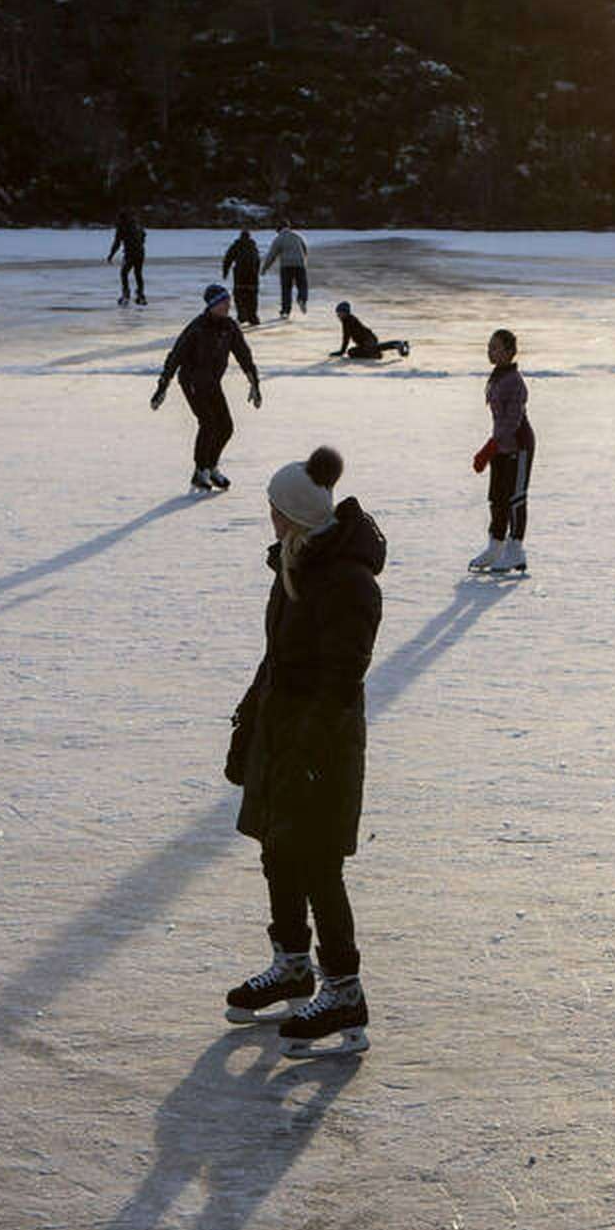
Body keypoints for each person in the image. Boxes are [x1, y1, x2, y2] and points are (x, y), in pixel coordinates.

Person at [221, 445, 386, 1057]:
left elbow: (342, 677)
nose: (269, 515)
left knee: (318, 864)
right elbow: (275, 660)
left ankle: (344, 989)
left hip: (322, 745)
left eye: (274, 508)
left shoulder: (346, 580)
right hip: (283, 736)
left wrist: (311, 753)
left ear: (296, 513)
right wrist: (249, 724)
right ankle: (293, 964)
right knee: (278, 850)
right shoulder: (294, 564)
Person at [151, 284, 262, 493]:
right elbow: (175, 357)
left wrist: (254, 382)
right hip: (192, 381)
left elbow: (243, 355)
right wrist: (162, 386)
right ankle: (200, 471)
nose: (228, 305)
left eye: (228, 301)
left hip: (212, 382)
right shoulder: (197, 327)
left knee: (226, 427)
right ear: (212, 305)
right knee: (209, 423)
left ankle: (211, 467)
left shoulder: (230, 326)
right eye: (223, 302)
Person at [468, 327, 533, 575]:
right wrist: (493, 446)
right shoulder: (498, 376)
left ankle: (516, 550)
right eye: (488, 346)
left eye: (495, 347)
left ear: (509, 351)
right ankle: (495, 546)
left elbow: (512, 420)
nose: (490, 351)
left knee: (514, 497)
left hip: (519, 444)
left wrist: (491, 446)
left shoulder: (514, 381)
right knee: (496, 497)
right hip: (501, 444)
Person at [326, 300, 411, 362]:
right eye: (337, 313)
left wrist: (341, 351)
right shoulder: (347, 320)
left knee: (355, 352)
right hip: (366, 341)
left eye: (340, 313)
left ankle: (394, 345)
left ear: (346, 312)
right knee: (353, 352)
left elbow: (347, 337)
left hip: (368, 340)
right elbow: (346, 337)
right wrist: (342, 351)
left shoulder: (349, 321)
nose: (338, 315)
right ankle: (395, 344)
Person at [260, 220, 310, 318]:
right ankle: (302, 299)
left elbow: (272, 255)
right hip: (300, 265)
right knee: (302, 285)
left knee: (286, 289)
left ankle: (285, 311)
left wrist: (264, 268)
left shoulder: (279, 239)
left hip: (286, 266)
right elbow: (305, 249)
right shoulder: (297, 236)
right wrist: (303, 261)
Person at [222, 227, 264, 327]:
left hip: (240, 276)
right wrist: (257, 273)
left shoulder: (236, 245)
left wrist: (225, 272)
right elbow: (258, 262)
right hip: (252, 277)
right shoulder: (253, 247)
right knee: (252, 297)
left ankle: (242, 316)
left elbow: (228, 259)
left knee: (239, 296)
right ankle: (253, 317)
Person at [108, 211, 148, 306]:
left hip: (130, 253)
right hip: (140, 252)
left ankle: (126, 294)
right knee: (138, 273)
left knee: (124, 273)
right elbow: (143, 235)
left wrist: (111, 254)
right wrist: (140, 244)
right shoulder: (137, 224)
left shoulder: (122, 227)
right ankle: (140, 295)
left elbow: (117, 243)